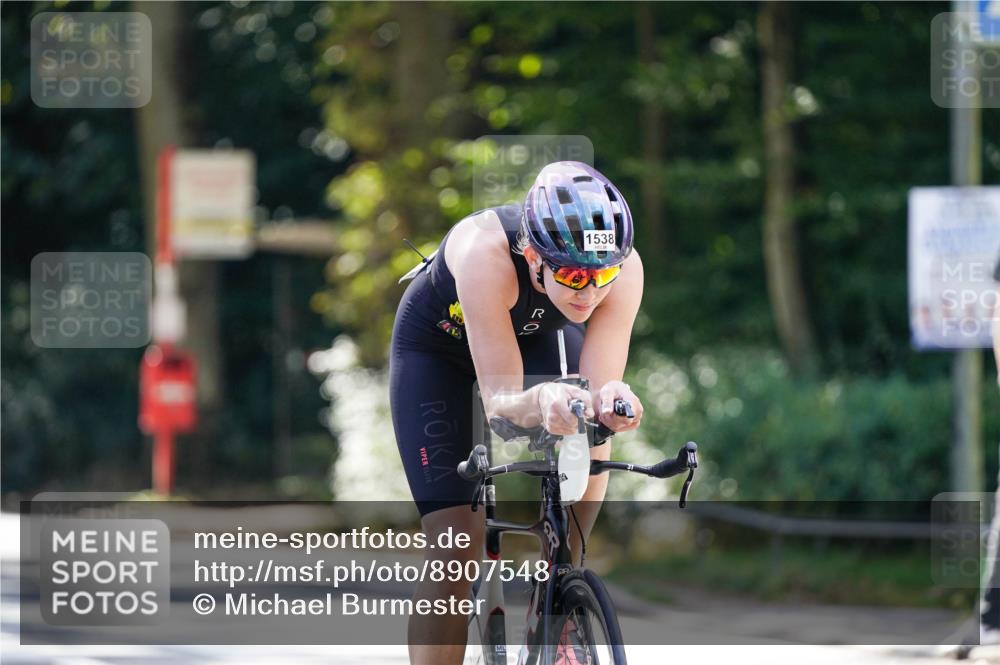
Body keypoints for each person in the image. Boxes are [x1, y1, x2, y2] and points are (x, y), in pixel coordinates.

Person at [389, 161, 645, 665]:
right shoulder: (485, 253)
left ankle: (563, 596)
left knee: (588, 424)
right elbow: (503, 405)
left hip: (534, 338)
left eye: (602, 275)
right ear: (533, 256)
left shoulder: (624, 269)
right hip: (439, 353)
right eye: (572, 275)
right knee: (453, 551)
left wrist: (610, 403)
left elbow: (598, 386)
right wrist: (543, 399)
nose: (590, 292)